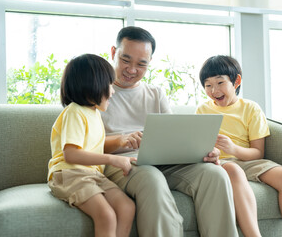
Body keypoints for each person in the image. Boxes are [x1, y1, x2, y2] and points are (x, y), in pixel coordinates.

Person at [100, 26, 238, 237]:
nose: (132, 69)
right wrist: (121, 141)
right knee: (151, 178)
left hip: (163, 161)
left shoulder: (155, 93)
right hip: (122, 164)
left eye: (141, 64)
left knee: (215, 174)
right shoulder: (94, 92)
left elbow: (176, 137)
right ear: (113, 53)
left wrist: (204, 152)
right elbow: (84, 145)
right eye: (126, 60)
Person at [196, 55, 282, 237]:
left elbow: (258, 153)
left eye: (219, 82)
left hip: (246, 158)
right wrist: (214, 153)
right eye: (208, 85)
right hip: (222, 163)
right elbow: (198, 147)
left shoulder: (251, 108)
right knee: (234, 170)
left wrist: (233, 148)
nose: (214, 90)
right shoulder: (202, 110)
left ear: (236, 81)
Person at [47, 54, 136, 237]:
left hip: (92, 174)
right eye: (109, 85)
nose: (112, 91)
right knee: (107, 216)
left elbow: (94, 147)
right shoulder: (74, 112)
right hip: (69, 173)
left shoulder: (94, 114)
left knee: (127, 207)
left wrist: (123, 142)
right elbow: (71, 155)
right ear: (92, 85)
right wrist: (114, 160)